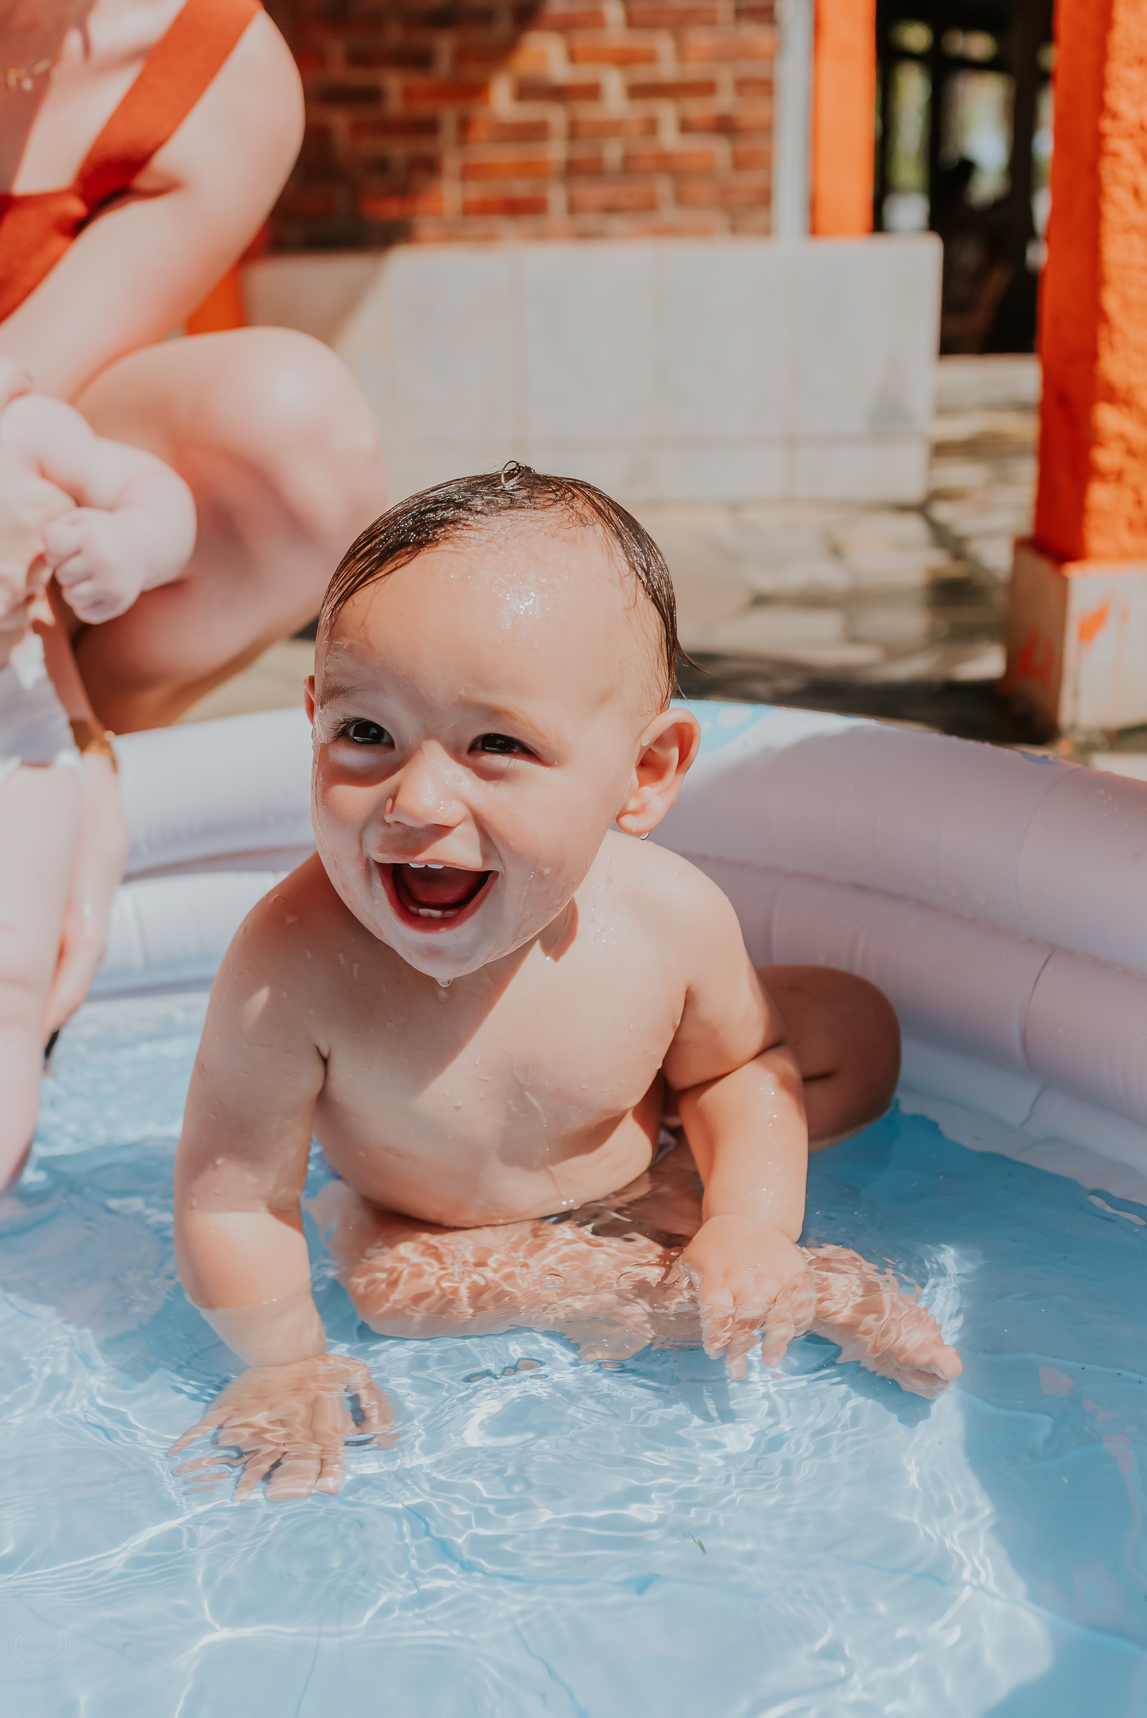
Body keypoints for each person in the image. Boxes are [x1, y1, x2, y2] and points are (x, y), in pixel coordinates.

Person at [170, 467, 962, 1503]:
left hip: (642, 1147)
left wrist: (750, 1218)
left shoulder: (667, 916)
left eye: (496, 744)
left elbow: (740, 1068)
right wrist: (281, 1362)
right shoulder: (289, 964)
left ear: (644, 774)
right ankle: (740, 1290)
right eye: (366, 734)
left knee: (854, 1031)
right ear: (313, 716)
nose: (416, 798)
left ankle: (712, 1236)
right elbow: (232, 1196)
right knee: (394, 1290)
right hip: (441, 1228)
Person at [0, 0, 386, 738]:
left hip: (6, 469)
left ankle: (67, 742)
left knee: (299, 437)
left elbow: (0, 397)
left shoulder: (223, 74)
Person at [0, 139, 199, 1218]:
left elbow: (151, 491)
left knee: (0, 975)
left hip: (3, 754)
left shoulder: (12, 418)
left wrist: (131, 544)